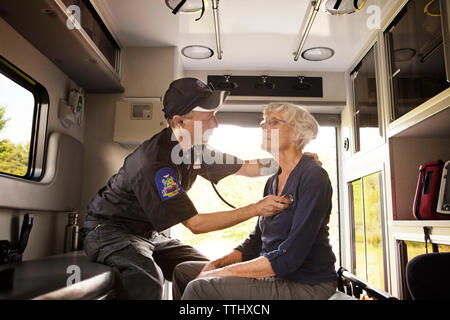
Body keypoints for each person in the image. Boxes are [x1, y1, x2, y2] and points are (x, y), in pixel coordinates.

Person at [81, 78, 293, 300]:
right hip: (108, 231)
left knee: (206, 272)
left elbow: (249, 167)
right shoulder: (154, 163)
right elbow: (196, 224)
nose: (215, 124)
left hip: (149, 235)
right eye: (208, 118)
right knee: (147, 278)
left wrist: (288, 160)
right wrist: (256, 209)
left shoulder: (195, 150)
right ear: (180, 121)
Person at [175, 102, 337, 300]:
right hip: (274, 273)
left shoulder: (313, 177)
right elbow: (256, 242)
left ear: (297, 133)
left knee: (199, 288)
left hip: (305, 282)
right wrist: (218, 264)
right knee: (183, 272)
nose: (264, 128)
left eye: (274, 122)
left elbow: (290, 257)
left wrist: (222, 273)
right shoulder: (272, 181)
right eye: (264, 123)